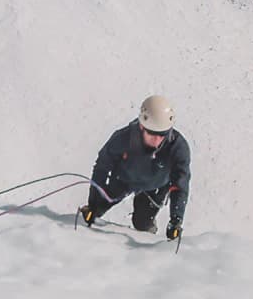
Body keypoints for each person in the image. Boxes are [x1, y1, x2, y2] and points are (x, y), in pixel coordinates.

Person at [79, 95, 191, 240]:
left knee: (142, 224)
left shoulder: (178, 147)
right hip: (122, 180)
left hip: (155, 186)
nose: (157, 140)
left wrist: (176, 221)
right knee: (93, 213)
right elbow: (102, 167)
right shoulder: (123, 137)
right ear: (141, 126)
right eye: (152, 133)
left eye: (162, 135)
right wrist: (92, 203)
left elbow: (180, 185)